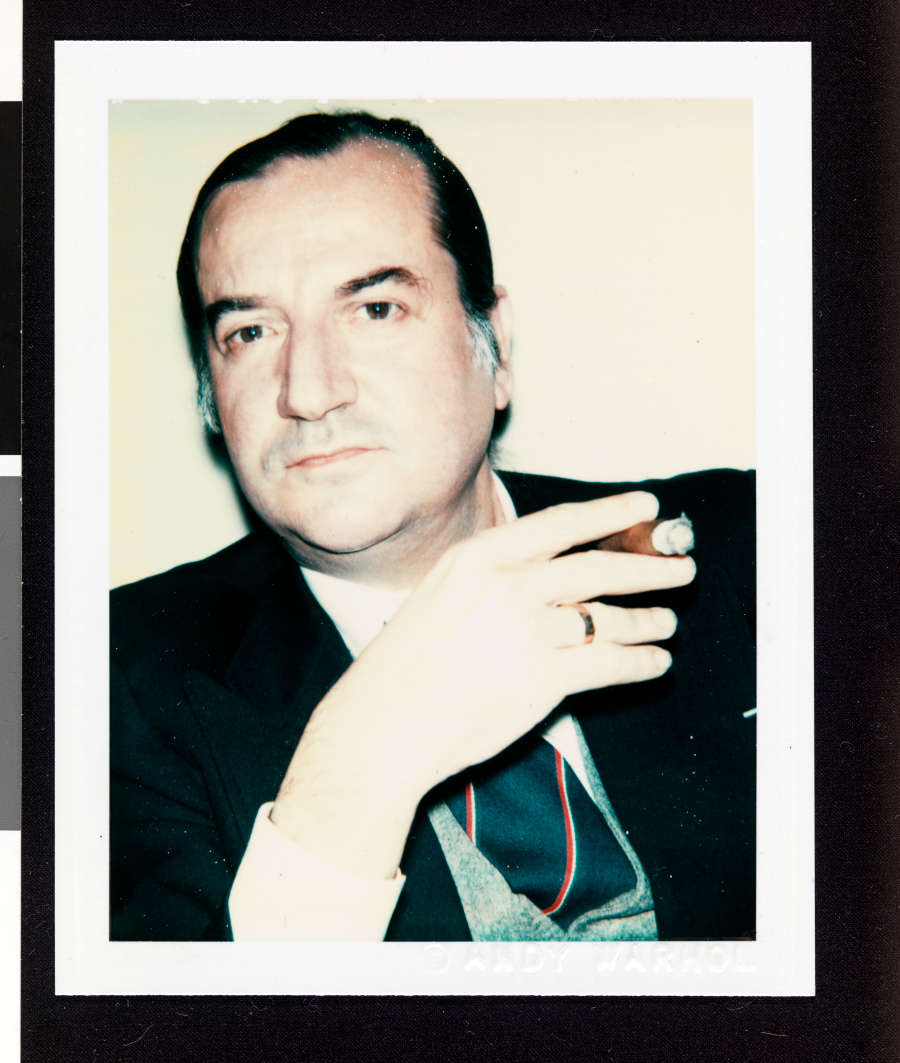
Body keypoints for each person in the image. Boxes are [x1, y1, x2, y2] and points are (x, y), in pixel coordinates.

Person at [110, 111, 755, 943]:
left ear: (496, 346)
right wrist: (355, 771)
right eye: (250, 331)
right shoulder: (103, 679)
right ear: (210, 389)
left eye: (375, 308)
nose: (308, 390)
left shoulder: (750, 544)